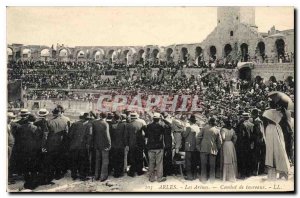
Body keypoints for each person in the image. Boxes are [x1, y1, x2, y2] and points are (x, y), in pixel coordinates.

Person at [263, 108, 290, 180]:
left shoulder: (272, 127)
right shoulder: (276, 126)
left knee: (276, 156)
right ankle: (280, 172)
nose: (267, 119)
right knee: (277, 155)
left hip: (275, 146)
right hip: (273, 146)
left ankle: (282, 172)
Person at [18, 114, 42, 189]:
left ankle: (26, 179)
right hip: (33, 150)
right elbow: (39, 140)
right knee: (33, 165)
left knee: (25, 164)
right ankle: (33, 181)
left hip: (23, 149)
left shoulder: (21, 127)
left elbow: (18, 138)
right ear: (34, 120)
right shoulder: (36, 128)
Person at [46, 108, 69, 181]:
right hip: (62, 142)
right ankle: (59, 174)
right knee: (60, 159)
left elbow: (46, 134)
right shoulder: (66, 120)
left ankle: (52, 174)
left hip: (51, 143)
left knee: (52, 159)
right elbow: (67, 132)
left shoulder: (49, 121)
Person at [197, 117, 222, 183]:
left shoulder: (204, 128)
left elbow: (198, 137)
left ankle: (203, 179)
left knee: (203, 165)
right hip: (213, 149)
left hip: (203, 148)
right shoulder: (217, 130)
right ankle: (212, 180)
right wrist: (218, 148)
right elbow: (220, 142)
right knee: (212, 165)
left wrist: (198, 146)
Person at [68, 112, 91, 181]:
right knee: (82, 161)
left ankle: (74, 175)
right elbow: (89, 136)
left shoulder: (75, 124)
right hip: (82, 147)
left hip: (74, 146)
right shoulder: (89, 125)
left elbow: (70, 135)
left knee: (74, 160)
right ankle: (82, 176)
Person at [145, 113, 167, 182]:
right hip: (159, 147)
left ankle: (151, 178)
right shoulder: (161, 126)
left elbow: (146, 136)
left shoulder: (148, 126)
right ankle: (159, 178)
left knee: (151, 162)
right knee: (159, 163)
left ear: (153, 119)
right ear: (159, 119)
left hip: (150, 147)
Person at [126, 112, 146, 177]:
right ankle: (139, 171)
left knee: (132, 157)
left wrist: (127, 144)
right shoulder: (142, 122)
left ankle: (132, 172)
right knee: (140, 156)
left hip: (131, 143)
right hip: (140, 142)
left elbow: (126, 136)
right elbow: (146, 131)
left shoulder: (128, 124)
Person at [92, 112, 111, 182]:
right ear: (106, 117)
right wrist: (109, 144)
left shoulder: (95, 123)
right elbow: (107, 135)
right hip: (104, 145)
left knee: (97, 161)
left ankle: (96, 176)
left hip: (97, 144)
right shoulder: (106, 124)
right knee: (105, 161)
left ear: (100, 116)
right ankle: (103, 176)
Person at [182, 114, 200, 180]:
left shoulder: (188, 127)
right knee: (194, 161)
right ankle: (194, 175)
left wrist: (183, 130)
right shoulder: (197, 127)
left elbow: (184, 135)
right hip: (195, 146)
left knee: (188, 161)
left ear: (190, 121)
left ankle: (189, 176)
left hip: (189, 146)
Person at [220, 116, 238, 182]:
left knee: (226, 158)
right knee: (231, 158)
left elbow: (223, 137)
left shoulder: (223, 130)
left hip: (225, 144)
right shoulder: (232, 129)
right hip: (231, 144)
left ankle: (226, 176)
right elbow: (235, 137)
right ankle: (232, 175)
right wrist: (233, 142)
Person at [237, 112, 254, 178]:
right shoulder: (252, 124)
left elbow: (242, 135)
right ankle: (248, 173)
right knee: (248, 158)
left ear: (243, 118)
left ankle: (243, 174)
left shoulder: (242, 125)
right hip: (250, 143)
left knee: (243, 159)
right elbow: (253, 135)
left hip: (243, 143)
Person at [110, 113, 127, 178]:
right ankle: (120, 172)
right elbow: (125, 136)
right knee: (120, 159)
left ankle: (116, 172)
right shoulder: (123, 125)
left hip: (113, 145)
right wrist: (125, 144)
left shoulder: (111, 125)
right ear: (120, 118)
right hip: (121, 145)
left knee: (115, 159)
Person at [251, 108, 266, 175]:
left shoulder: (257, 121)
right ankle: (260, 170)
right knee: (259, 155)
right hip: (260, 140)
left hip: (258, 140)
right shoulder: (259, 120)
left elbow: (259, 132)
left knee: (257, 156)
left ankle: (257, 171)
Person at [161, 112, 173, 177]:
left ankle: (168, 171)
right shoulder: (162, 123)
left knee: (167, 157)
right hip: (165, 141)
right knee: (165, 157)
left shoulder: (166, 122)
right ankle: (166, 171)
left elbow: (171, 125)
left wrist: (164, 120)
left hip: (167, 141)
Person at [7, 112, 18, 185]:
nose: (11, 119)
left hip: (11, 145)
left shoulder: (11, 124)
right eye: (9, 118)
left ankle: (9, 177)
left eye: (12, 118)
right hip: (7, 145)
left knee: (10, 161)